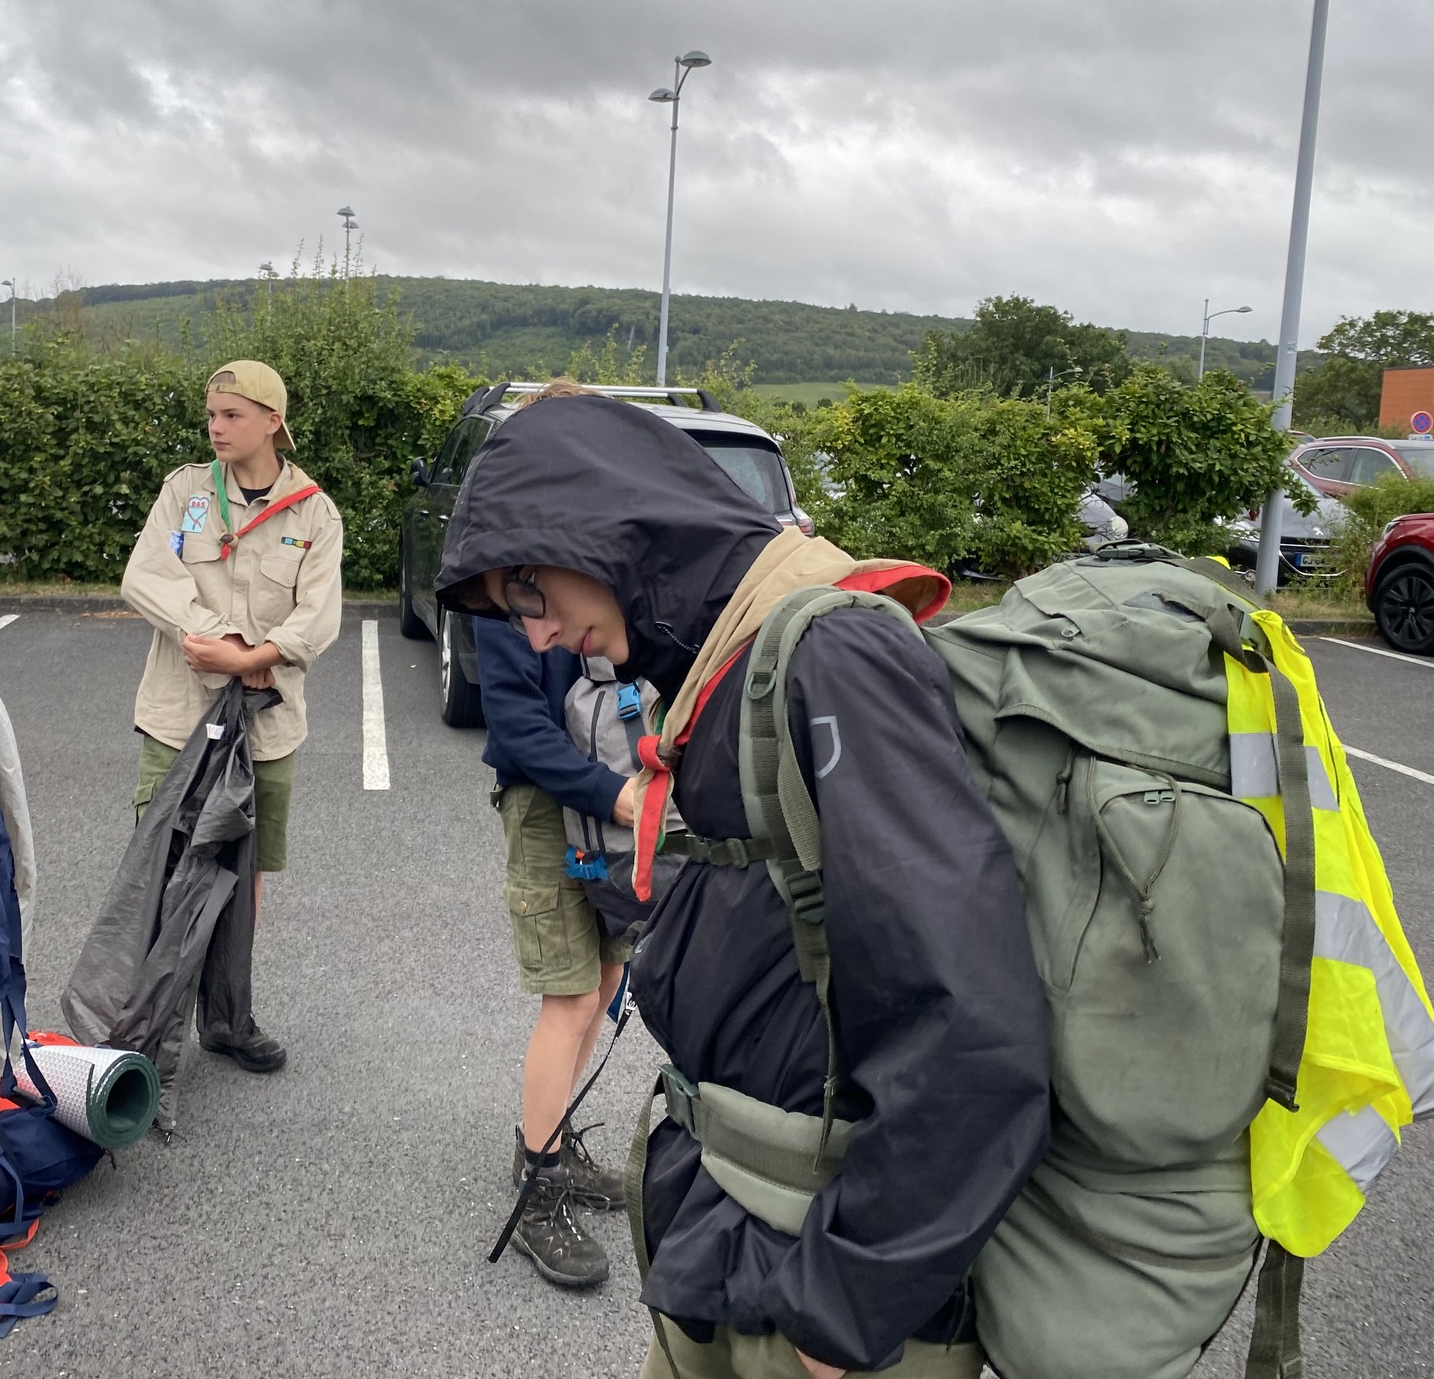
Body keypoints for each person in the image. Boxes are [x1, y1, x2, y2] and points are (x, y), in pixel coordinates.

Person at [437, 395, 1052, 1379]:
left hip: (813, 1270)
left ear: (604, 529)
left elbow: (968, 1017)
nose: (540, 637)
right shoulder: (726, 660)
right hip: (739, 1227)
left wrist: (849, 1300)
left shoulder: (832, 655)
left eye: (527, 592)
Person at [122, 359, 343, 1073]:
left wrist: (252, 659)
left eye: (232, 415)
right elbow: (145, 577)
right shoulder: (186, 492)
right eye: (211, 415)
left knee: (241, 875)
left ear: (272, 421)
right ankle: (146, 1031)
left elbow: (319, 617)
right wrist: (209, 637)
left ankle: (227, 1019)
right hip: (176, 719)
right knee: (162, 867)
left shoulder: (314, 511)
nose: (216, 428)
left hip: (265, 726)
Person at [477, 612, 636, 1289]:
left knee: (605, 978)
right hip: (546, 804)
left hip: (617, 788)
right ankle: (538, 1190)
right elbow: (517, 726)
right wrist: (612, 794)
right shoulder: (503, 587)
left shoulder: (602, 558)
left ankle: (552, 1136)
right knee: (570, 996)